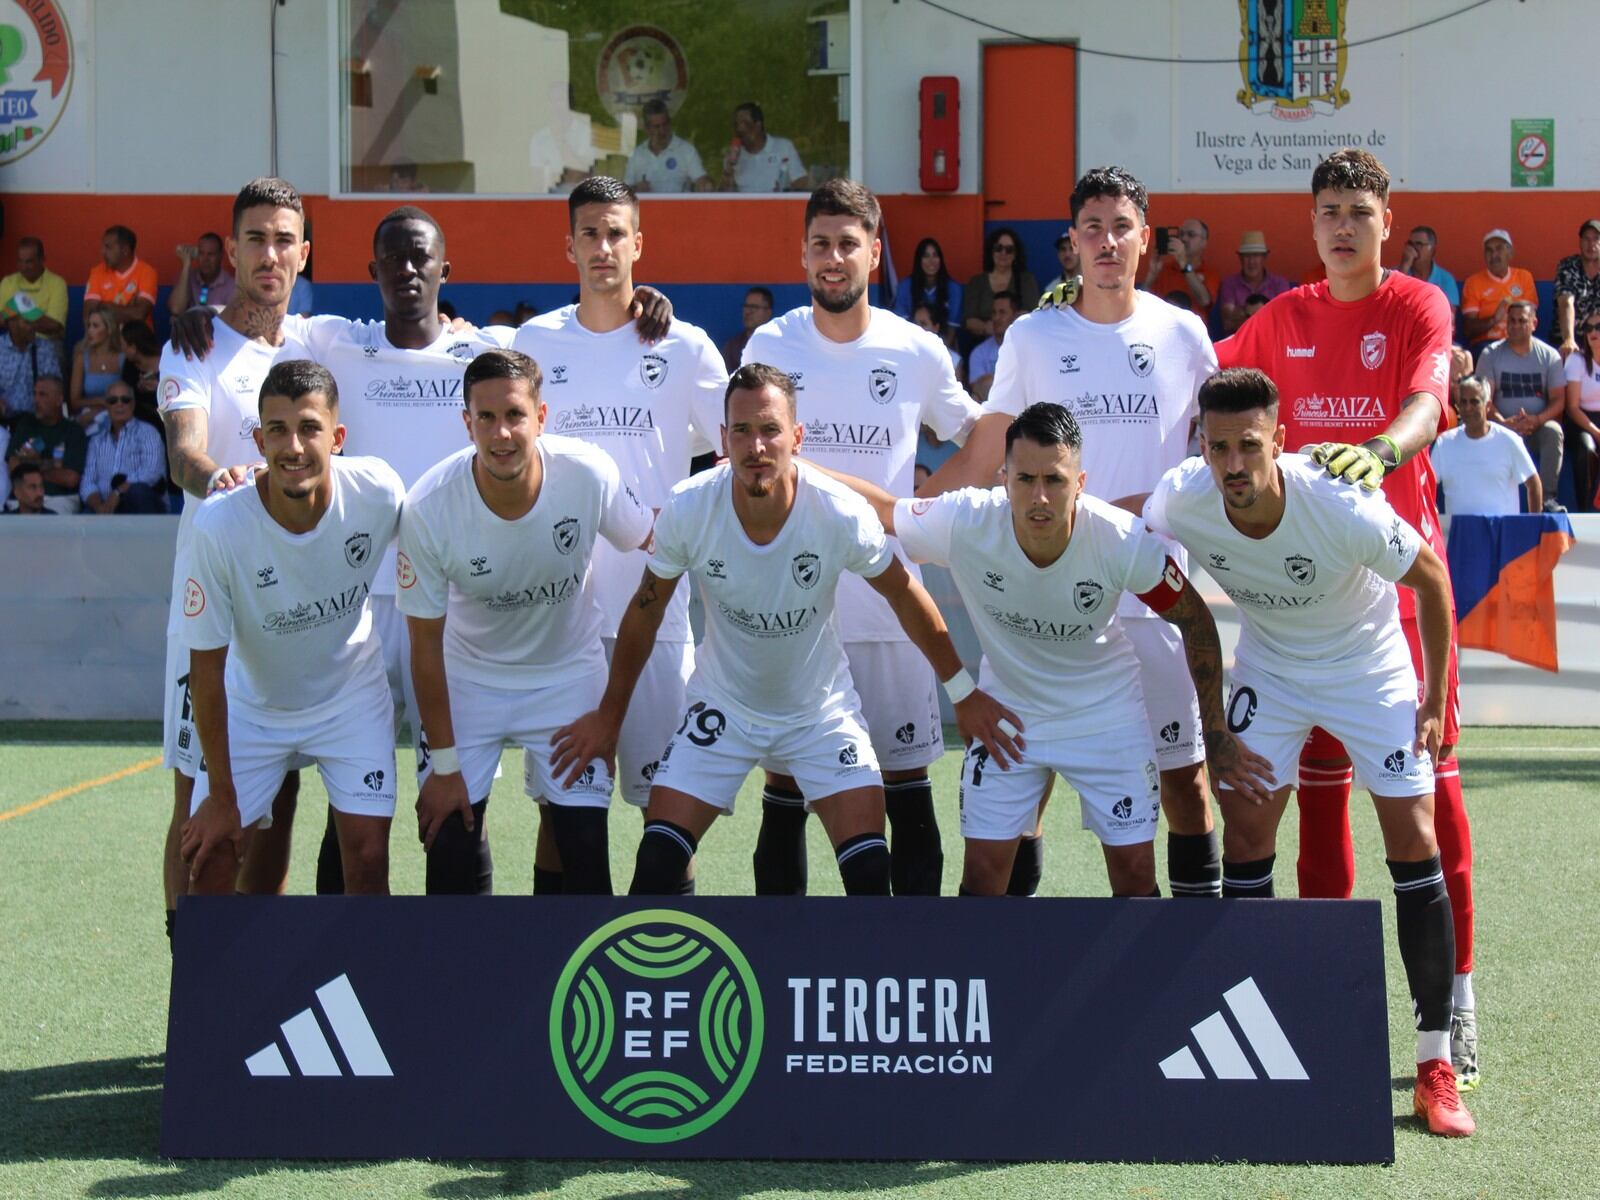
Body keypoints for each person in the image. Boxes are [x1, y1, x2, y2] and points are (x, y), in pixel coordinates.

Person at [1143, 367, 1473, 1138]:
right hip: (1272, 669)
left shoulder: (1338, 500)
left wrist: (1432, 698)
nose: (1232, 466)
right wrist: (1215, 726)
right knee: (1249, 831)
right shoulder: (1181, 497)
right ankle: (1254, 1041)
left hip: (1370, 669)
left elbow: (1430, 581)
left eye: (1249, 447)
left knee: (1414, 840)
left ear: (1279, 443)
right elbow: (1141, 553)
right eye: (1218, 447)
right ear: (1201, 446)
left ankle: (1434, 1063)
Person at [1211, 147, 1480, 1092]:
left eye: (1359, 209)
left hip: (1399, 594)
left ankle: (1456, 1000)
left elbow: (1426, 401)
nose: (1342, 224)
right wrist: (1098, 316)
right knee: (1314, 793)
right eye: (1329, 209)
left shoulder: (1416, 306)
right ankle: (1329, 996)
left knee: (1429, 794)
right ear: (1311, 221)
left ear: (1385, 219)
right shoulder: (1279, 317)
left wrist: (1383, 447)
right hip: (1301, 605)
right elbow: (1200, 383)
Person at [550, 364, 1012, 897]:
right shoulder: (691, 506)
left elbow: (905, 593)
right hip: (722, 710)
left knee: (868, 875)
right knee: (656, 866)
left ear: (797, 436)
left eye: (770, 430)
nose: (756, 446)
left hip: (820, 714)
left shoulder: (838, 511)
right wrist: (609, 717)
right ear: (723, 439)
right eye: (741, 432)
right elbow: (646, 610)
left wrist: (964, 692)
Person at [820, 402, 1269, 896]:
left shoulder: (1121, 541)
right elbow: (882, 510)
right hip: (1008, 717)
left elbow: (1197, 622)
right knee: (984, 877)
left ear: (1080, 482)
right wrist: (791, 466)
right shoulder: (966, 519)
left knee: (1136, 877)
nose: (1038, 498)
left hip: (1107, 717)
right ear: (1002, 477)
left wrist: (1216, 730)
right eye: (1024, 480)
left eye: (1054, 481)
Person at [930, 164, 1224, 901]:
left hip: (1155, 597)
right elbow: (988, 449)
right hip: (1047, 607)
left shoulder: (1182, 333)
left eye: (1121, 226)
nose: (1106, 241)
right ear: (1071, 242)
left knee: (1185, 779)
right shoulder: (1034, 335)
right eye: (1091, 228)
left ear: (1145, 239)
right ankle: (1019, 968)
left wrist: (1152, 509)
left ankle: (1193, 953)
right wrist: (903, 515)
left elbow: (1216, 447)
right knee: (1026, 792)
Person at [739, 179, 982, 896]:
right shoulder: (771, 344)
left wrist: (922, 507)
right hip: (794, 610)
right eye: (821, 244)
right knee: (786, 796)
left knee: (906, 787)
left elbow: (979, 435)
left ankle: (907, 958)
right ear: (803, 255)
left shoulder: (916, 350)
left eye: (849, 244)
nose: (834, 258)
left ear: (876, 254)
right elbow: (745, 451)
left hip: (890, 609)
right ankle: (788, 960)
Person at [509, 175, 726, 895]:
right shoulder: (533, 343)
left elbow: (733, 454)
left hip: (655, 614)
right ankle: (551, 970)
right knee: (560, 805)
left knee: (667, 809)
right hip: (558, 619)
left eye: (616, 233)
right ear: (567, 245)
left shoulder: (686, 346)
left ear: (640, 242)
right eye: (589, 234)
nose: (603, 247)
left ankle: (666, 966)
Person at [398, 349, 653, 895]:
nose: (501, 434)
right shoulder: (428, 507)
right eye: (485, 418)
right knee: (447, 844)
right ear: (466, 422)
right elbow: (423, 646)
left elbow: (654, 542)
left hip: (566, 677)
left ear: (541, 416)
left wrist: (608, 717)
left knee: (584, 849)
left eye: (515, 415)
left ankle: (566, 978)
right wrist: (444, 768)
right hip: (469, 683)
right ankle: (463, 979)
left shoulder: (588, 474)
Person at [178, 360, 404, 898]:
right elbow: (205, 671)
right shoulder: (218, 526)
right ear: (258, 438)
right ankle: (223, 985)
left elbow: (441, 547)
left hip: (350, 700)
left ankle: (367, 983)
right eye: (277, 430)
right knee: (210, 857)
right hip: (253, 710)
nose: (293, 447)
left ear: (338, 436)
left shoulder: (377, 492)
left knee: (369, 858)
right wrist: (223, 795)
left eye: (309, 428)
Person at [156, 177, 314, 943]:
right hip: (208, 610)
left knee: (278, 795)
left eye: (285, 240)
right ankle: (191, 975)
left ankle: (252, 969)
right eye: (256, 238)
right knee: (197, 800)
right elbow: (183, 450)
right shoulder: (193, 343)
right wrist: (214, 473)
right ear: (232, 249)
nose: (270, 254)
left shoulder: (321, 344)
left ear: (304, 253)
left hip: (288, 613)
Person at [1477, 299, 1567, 511]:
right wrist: (1502, 422)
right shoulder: (1491, 354)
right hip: (1500, 429)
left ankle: (1547, 500)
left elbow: (1558, 399)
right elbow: (1484, 398)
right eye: (1512, 321)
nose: (1516, 325)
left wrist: (1537, 420)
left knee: (1553, 431)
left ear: (1534, 323)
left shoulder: (1549, 356)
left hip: (1535, 428)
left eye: (1522, 321)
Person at [1432, 376, 1541, 515]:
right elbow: (1428, 487)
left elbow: (1533, 483)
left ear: (1488, 405)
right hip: (1459, 534)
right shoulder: (1444, 443)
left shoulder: (1508, 440)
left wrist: (1534, 526)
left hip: (1501, 534)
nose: (1468, 408)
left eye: (1474, 402)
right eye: (1463, 402)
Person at [80, 382, 168, 513]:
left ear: (133, 404)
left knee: (138, 492)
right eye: (112, 400)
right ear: (106, 406)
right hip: (104, 508)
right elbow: (87, 483)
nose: (119, 404)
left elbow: (152, 472)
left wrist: (118, 492)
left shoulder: (148, 433)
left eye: (125, 400)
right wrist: (99, 506)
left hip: (141, 508)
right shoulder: (96, 441)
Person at [6, 375, 85, 513]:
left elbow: (71, 479)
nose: (36, 400)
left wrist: (33, 462)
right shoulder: (25, 424)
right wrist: (53, 467)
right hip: (21, 500)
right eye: (35, 394)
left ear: (59, 399)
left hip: (60, 499)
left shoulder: (73, 431)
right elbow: (13, 467)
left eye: (42, 395)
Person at [1460, 230, 1537, 350]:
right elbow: (1469, 329)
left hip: (1520, 340)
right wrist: (1494, 319)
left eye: (1499, 249)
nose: (1494, 255)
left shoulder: (1524, 277)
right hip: (1487, 344)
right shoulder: (1473, 282)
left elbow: (1531, 318)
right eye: (1489, 250)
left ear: (1510, 253)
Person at [963, 228, 1039, 339]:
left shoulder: (1026, 280)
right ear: (991, 251)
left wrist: (1003, 328)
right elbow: (969, 320)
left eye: (1009, 250)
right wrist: (985, 327)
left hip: (1018, 341)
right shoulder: (977, 282)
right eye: (998, 248)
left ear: (1015, 254)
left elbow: (1032, 315)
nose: (1003, 253)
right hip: (983, 345)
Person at [624, 98, 712, 193]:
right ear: (647, 129)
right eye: (657, 127)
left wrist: (705, 184)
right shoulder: (636, 155)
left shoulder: (686, 150)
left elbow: (701, 179)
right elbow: (624, 194)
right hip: (647, 207)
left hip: (679, 207)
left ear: (670, 123)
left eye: (665, 124)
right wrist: (637, 189)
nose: (662, 131)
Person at [720, 102, 809, 193]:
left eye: (744, 124)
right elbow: (725, 197)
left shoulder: (784, 147)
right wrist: (729, 169)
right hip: (745, 206)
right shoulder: (731, 157)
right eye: (736, 125)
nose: (739, 129)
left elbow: (801, 180)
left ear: (758, 125)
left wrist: (786, 191)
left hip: (777, 205)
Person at [84, 225, 158, 330]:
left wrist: (105, 307)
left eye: (108, 247)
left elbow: (139, 315)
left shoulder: (147, 272)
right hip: (106, 341)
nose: (103, 252)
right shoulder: (97, 272)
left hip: (137, 342)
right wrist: (129, 309)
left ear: (125, 251)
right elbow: (88, 316)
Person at [1218, 231, 1292, 333]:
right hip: (1239, 342)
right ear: (1240, 258)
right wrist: (1265, 314)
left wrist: (1244, 314)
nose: (1251, 261)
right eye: (1247, 256)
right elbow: (1227, 322)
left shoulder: (1280, 284)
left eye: (1256, 255)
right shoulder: (1229, 284)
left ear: (1264, 258)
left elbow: (1284, 320)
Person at [1143, 218, 1217, 317]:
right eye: (1181, 234)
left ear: (1203, 242)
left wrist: (1184, 264)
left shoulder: (1210, 273)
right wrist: (1151, 275)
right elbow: (1141, 303)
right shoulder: (1165, 270)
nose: (1184, 239)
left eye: (1191, 235)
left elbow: (1204, 301)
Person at [1563, 311, 1600, 510]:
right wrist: (1596, 432)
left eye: (1598, 327)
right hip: (1581, 422)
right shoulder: (1576, 360)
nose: (1593, 332)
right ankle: (1586, 509)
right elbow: (1572, 407)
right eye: (1588, 328)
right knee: (1587, 450)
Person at [0, 237, 68, 343]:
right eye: (20, 261)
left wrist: (18, 312)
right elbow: (1, 319)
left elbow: (55, 326)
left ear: (42, 260)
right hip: (13, 343)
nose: (23, 267)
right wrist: (35, 318)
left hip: (45, 342)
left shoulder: (57, 283)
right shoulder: (8, 282)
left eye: (29, 262)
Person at [68, 308, 124, 435]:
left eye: (95, 326)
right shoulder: (81, 358)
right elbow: (75, 401)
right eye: (88, 326)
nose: (90, 331)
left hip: (117, 415)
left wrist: (103, 409)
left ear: (109, 329)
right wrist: (101, 402)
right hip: (87, 416)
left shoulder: (123, 358)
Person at [0, 311, 63, 419]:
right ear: (12, 324)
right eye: (28, 322)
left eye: (36, 321)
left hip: (36, 422)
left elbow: (56, 389)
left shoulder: (45, 349)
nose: (34, 326)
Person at [1553, 218, 1600, 359]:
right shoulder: (1568, 265)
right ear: (1580, 242)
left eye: (1596, 239)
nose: (1591, 244)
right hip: (1572, 336)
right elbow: (1566, 302)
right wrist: (1569, 339)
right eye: (1586, 239)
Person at [894, 237, 964, 325]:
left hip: (943, 337)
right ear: (919, 260)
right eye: (926, 256)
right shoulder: (905, 286)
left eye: (935, 255)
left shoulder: (954, 288)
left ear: (941, 259)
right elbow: (901, 325)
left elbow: (952, 329)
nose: (931, 261)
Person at [966, 290, 1017, 401]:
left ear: (1014, 316)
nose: (996, 318)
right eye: (994, 313)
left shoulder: (1026, 348)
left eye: (1002, 312)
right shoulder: (979, 353)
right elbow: (979, 391)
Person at [168, 233, 237, 315]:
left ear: (221, 255)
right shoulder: (187, 277)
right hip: (188, 327)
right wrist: (186, 265)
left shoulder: (231, 285)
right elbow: (176, 309)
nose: (205, 259)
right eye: (201, 253)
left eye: (210, 254)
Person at [1398, 225, 1460, 314]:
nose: (1412, 248)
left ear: (1432, 250)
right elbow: (1390, 304)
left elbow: (1449, 315)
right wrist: (1404, 267)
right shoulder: (1397, 272)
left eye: (1419, 244)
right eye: (1410, 244)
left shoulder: (1446, 279)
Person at [721, 286, 773, 372]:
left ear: (768, 312)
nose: (748, 311)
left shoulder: (777, 344)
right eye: (746, 306)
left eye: (754, 307)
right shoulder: (732, 348)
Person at [1041, 227, 1081, 295]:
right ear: (1058, 254)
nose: (1067, 254)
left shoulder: (1094, 284)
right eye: (1063, 249)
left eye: (1072, 248)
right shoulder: (1051, 290)